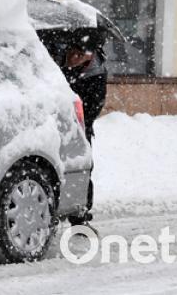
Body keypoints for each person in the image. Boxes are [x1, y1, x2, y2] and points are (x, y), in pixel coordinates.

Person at [62, 28, 108, 225]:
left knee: (81, 167)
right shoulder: (57, 60)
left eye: (79, 55)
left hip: (79, 127)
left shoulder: (96, 74)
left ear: (91, 55)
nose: (73, 58)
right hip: (52, 124)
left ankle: (80, 214)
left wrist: (75, 122)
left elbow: (93, 107)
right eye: (72, 52)